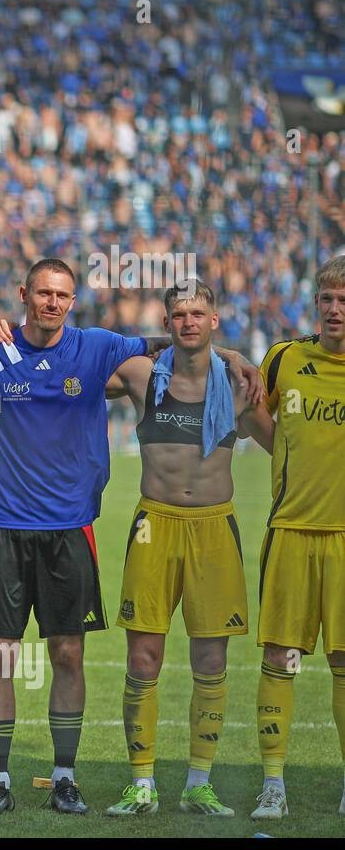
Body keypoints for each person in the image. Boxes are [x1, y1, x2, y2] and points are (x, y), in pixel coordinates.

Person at [0, 258, 261, 816]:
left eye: (63, 295)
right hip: (3, 526)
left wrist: (233, 354)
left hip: (72, 527)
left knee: (69, 653)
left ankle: (66, 776)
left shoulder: (97, 347)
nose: (52, 302)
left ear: (72, 301)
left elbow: (175, 344)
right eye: (44, 293)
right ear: (24, 294)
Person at [99, 280, 253, 817]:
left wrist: (233, 357)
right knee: (144, 656)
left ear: (214, 319)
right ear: (167, 324)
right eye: (179, 314)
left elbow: (286, 440)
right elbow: (78, 359)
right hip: (153, 525)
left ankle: (197, 783)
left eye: (198, 313)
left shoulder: (238, 384)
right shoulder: (142, 376)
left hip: (215, 526)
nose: (188, 321)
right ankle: (142, 784)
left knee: (211, 658)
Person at [241, 254, 345, 819]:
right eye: (328, 299)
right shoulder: (284, 358)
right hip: (290, 531)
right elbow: (248, 412)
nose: (335, 310)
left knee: (344, 660)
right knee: (279, 658)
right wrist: (283, 449)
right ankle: (274, 783)